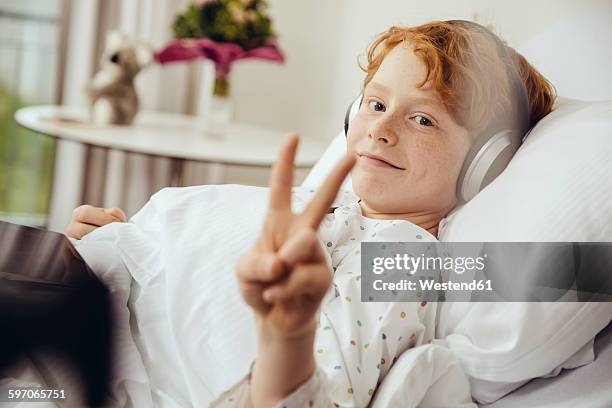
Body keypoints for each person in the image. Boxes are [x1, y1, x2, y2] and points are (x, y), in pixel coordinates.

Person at [68, 20, 556, 407]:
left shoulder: (404, 257)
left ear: (483, 165)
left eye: (423, 119)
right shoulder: (320, 208)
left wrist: (289, 333)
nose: (378, 130)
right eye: (375, 103)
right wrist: (124, 242)